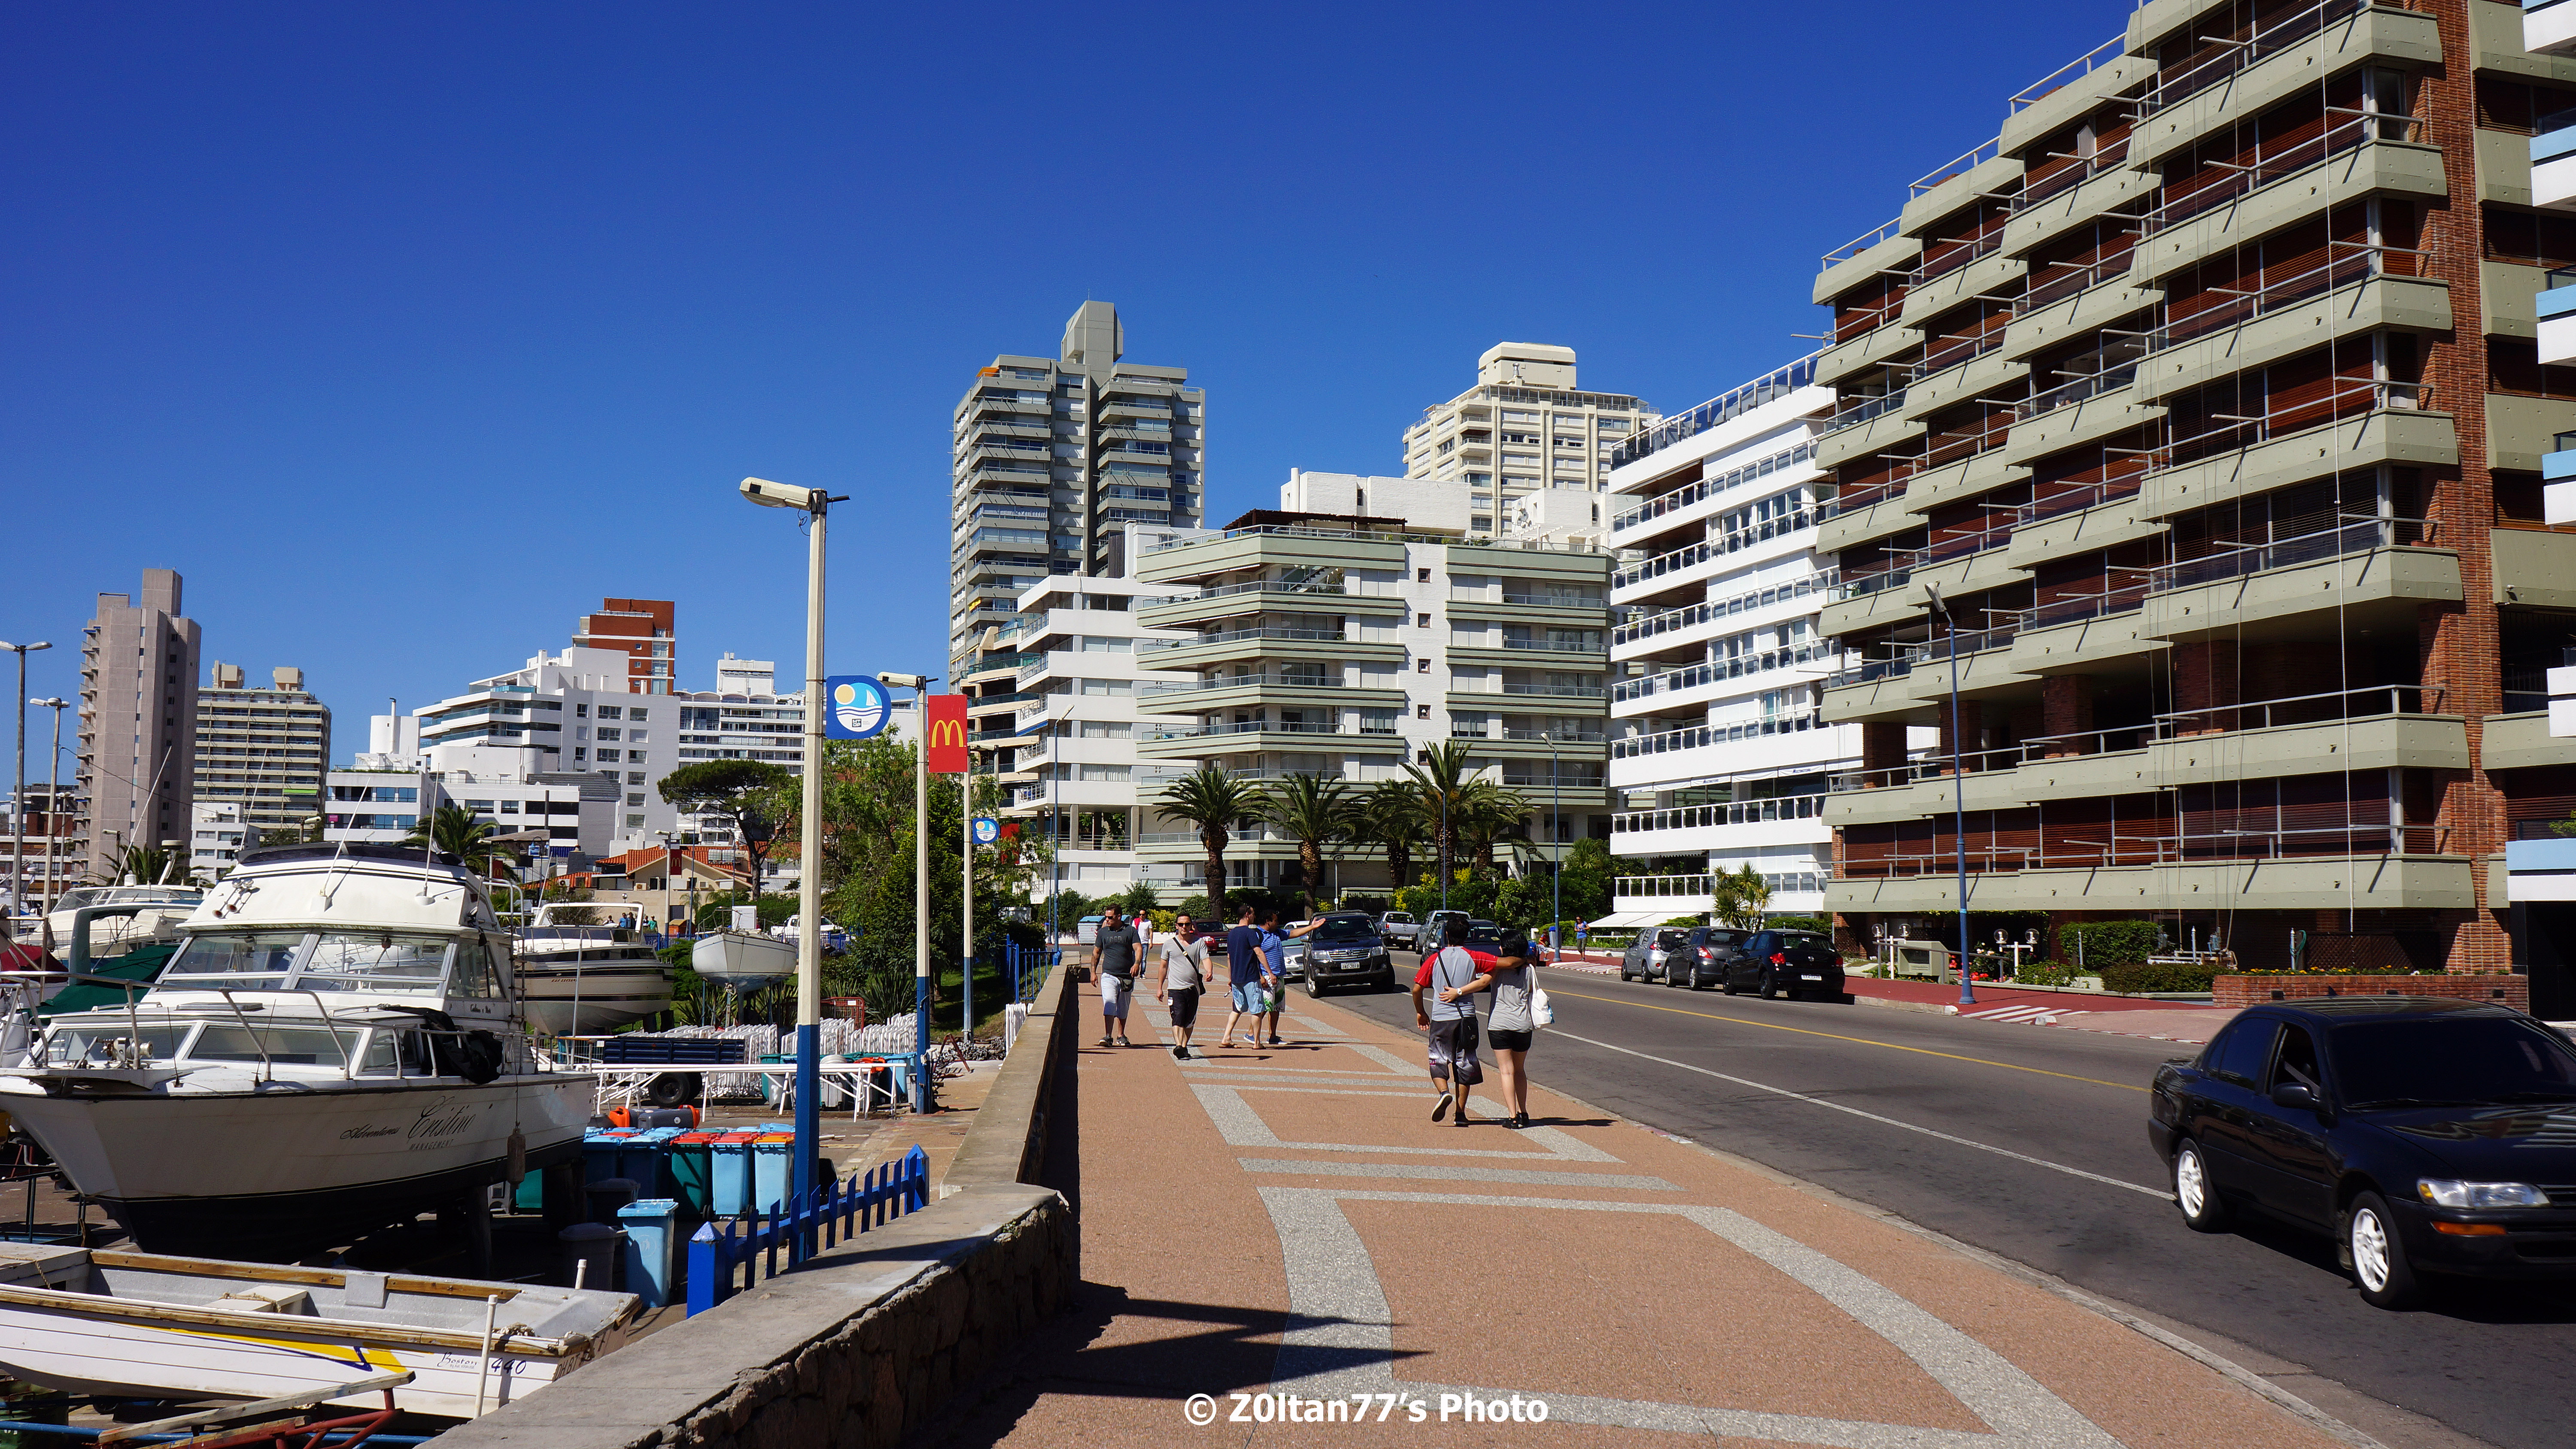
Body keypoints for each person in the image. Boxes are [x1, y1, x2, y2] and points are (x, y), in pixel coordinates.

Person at [1443, 932, 1535, 1129]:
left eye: (1502, 946)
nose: (1499, 948)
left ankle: (1512, 1117)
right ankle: (1524, 1113)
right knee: (1519, 1070)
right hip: (1523, 1024)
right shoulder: (1530, 969)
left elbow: (1482, 983)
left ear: (1507, 949)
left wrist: (1458, 992)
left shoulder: (1496, 968)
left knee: (1506, 1071)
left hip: (1499, 1025)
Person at [1411, 918, 1485, 1125]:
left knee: (1438, 1059)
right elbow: (1500, 964)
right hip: (1467, 1018)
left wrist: (1421, 1013)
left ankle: (1444, 1092)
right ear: (1468, 936)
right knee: (1465, 1063)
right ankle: (1460, 1114)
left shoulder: (1435, 959)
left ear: (1446, 935)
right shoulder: (1474, 957)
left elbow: (1417, 989)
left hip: (1442, 1019)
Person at [1156, 912, 1211, 1060]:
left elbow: (1206, 959)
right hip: (1175, 988)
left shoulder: (1199, 943)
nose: (1184, 927)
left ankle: (1184, 1047)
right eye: (1181, 924)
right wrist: (1160, 987)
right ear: (1177, 926)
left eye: (1187, 924)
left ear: (1191, 926)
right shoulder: (1169, 944)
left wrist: (1209, 971)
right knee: (1178, 1017)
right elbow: (1163, 967)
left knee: (1190, 1021)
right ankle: (1178, 1045)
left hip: (1193, 988)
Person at [1220, 903, 1271, 1049]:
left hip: (1236, 978)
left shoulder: (1232, 934)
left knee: (1238, 1008)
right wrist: (1269, 972)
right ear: (1247, 915)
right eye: (1253, 913)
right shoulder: (1250, 933)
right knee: (1257, 1009)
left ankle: (1226, 1037)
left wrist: (1230, 978)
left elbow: (1229, 958)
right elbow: (1259, 952)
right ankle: (1257, 1042)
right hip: (1250, 977)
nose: (1254, 916)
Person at [1092, 906, 1143, 1048]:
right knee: (1110, 1003)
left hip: (1127, 976)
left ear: (1119, 917)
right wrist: (1093, 972)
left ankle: (1121, 1036)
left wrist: (1137, 964)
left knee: (1123, 1007)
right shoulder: (1103, 933)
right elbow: (1096, 953)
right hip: (1109, 974)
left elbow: (1138, 949)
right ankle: (1108, 1036)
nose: (1107, 920)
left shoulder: (1130, 931)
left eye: (1110, 917)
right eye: (1106, 917)